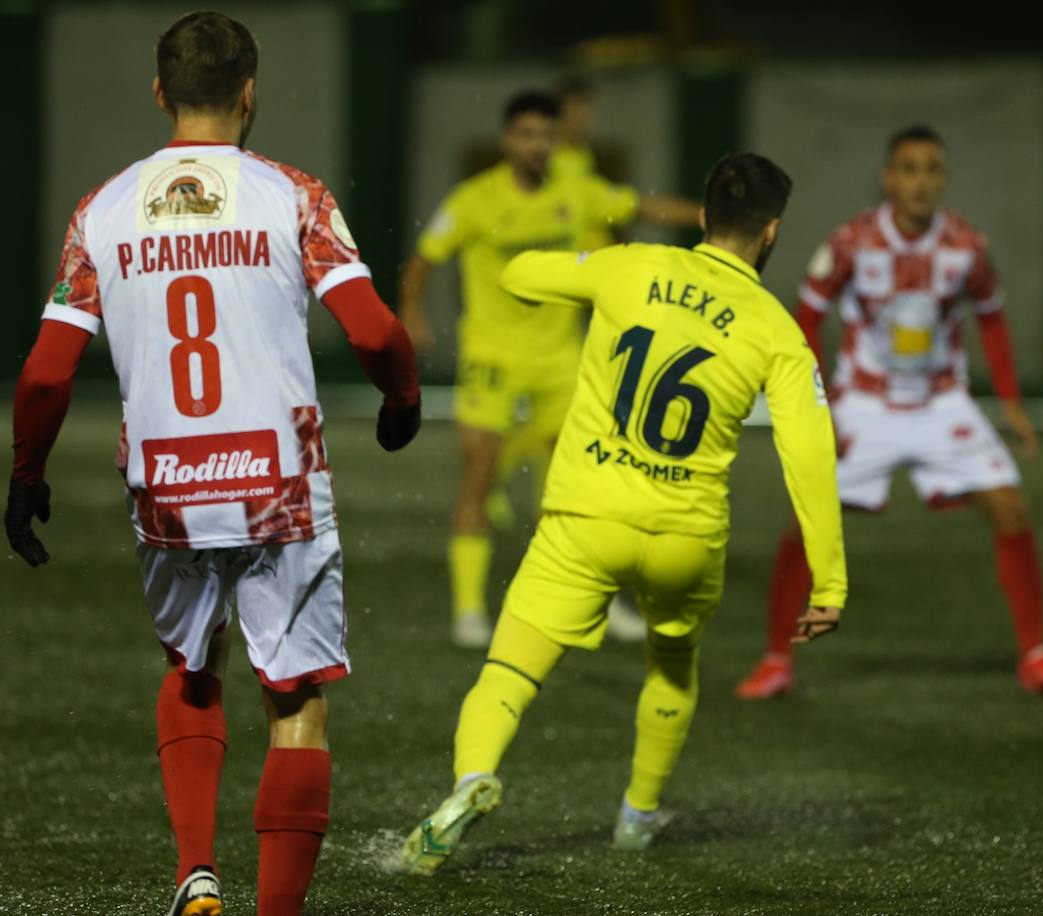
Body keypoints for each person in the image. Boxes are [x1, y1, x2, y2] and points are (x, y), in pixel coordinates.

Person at [3, 12, 420, 916]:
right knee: (296, 700)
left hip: (168, 488)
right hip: (276, 484)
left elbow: (44, 371)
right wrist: (403, 399)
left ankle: (196, 874)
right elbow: (378, 330)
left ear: (160, 94)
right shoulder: (293, 195)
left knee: (193, 668)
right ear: (250, 93)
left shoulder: (102, 209)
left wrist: (26, 474)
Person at [399, 152, 847, 871]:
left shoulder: (630, 267)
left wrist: (586, 265)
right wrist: (830, 582)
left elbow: (519, 275)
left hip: (586, 519)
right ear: (770, 232)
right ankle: (637, 816)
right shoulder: (778, 331)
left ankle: (473, 778)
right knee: (672, 665)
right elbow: (811, 456)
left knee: (508, 672)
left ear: (702, 217)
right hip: (685, 536)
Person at [735, 125, 1043, 700]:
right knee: (806, 523)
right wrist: (817, 401)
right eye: (908, 168)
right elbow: (806, 319)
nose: (920, 181)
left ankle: (1037, 657)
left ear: (944, 178)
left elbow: (992, 317)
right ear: (888, 177)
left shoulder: (966, 247)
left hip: (939, 401)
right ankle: (776, 661)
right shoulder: (851, 242)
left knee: (1010, 506)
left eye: (931, 169)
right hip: (865, 401)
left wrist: (1010, 401)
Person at [398, 90, 699, 649]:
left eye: (547, 136)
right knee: (480, 471)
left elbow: (641, 207)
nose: (537, 146)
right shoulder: (474, 199)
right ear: (508, 139)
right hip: (492, 357)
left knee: (575, 490)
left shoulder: (577, 191)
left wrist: (707, 217)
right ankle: (468, 611)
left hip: (561, 359)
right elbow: (424, 256)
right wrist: (412, 309)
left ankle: (595, 605)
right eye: (527, 135)